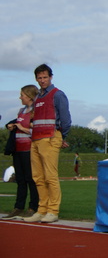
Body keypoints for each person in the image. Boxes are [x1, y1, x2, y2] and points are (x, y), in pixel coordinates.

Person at [24, 64, 72, 224]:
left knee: (50, 176)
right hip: (36, 139)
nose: (42, 80)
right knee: (38, 176)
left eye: (45, 77)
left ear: (50, 77)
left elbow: (66, 119)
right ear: (36, 79)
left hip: (50, 138)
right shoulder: (37, 98)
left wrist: (60, 136)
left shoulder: (57, 95)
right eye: (39, 78)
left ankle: (53, 210)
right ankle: (42, 209)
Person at [2, 85, 40, 220]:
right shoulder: (21, 111)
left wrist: (22, 128)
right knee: (20, 179)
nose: (20, 97)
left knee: (30, 179)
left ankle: (33, 207)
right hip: (17, 148)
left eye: (22, 95)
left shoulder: (36, 111)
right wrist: (11, 126)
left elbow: (37, 131)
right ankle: (18, 207)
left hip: (29, 149)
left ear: (29, 96)